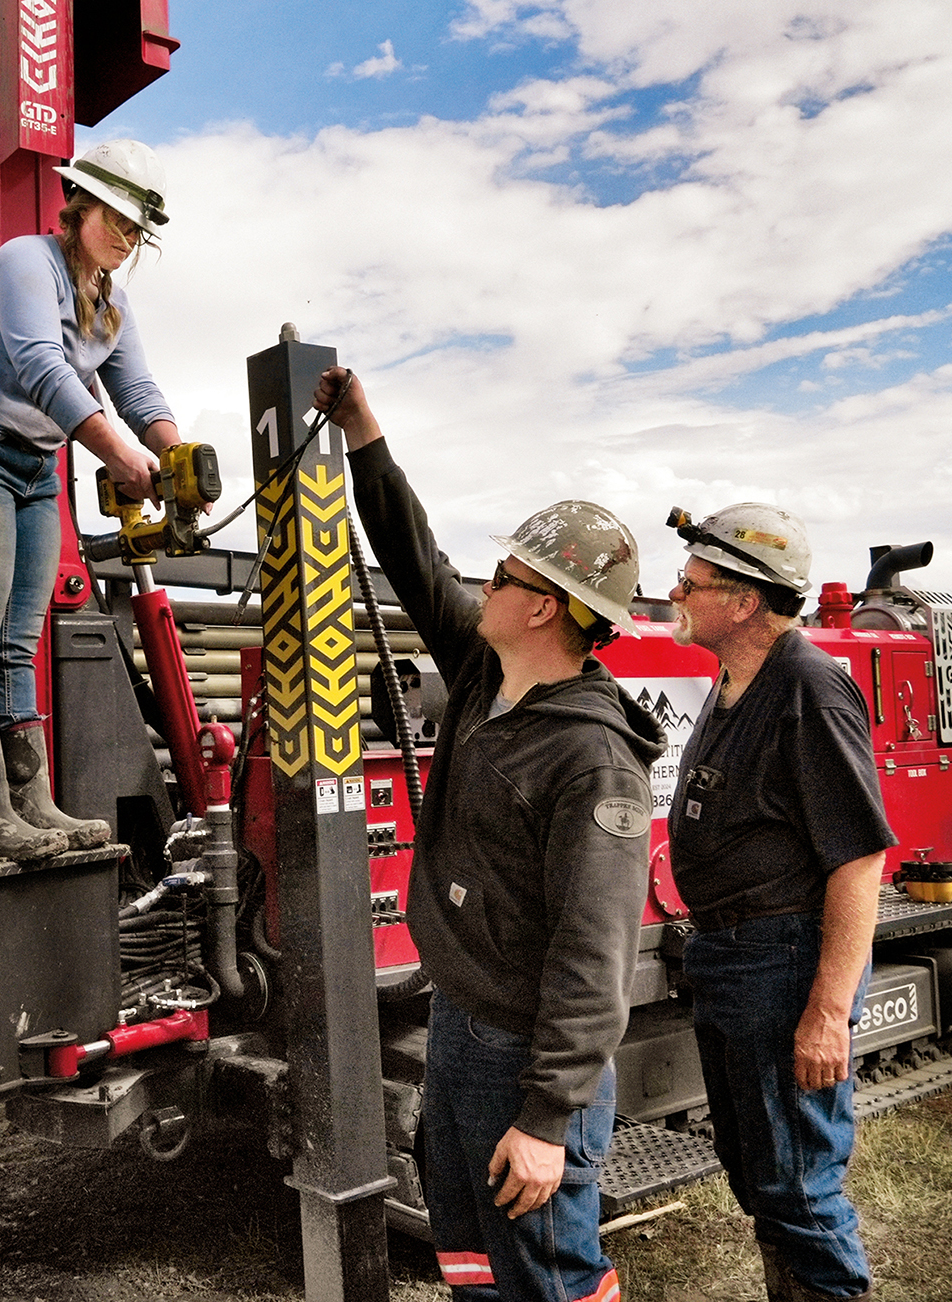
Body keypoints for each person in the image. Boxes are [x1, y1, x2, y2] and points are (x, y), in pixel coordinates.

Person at [317, 369, 662, 1302]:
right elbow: (413, 557)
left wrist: (549, 1121)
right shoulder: (485, 674)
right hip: (463, 1027)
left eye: (504, 575)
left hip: (527, 1055)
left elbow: (596, 955)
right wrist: (364, 435)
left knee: (548, 1274)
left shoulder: (592, 760)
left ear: (545, 605)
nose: (483, 584)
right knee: (471, 1259)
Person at [662, 503, 897, 1302]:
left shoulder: (807, 687)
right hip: (731, 958)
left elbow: (859, 859)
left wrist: (828, 1012)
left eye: (691, 584)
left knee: (798, 1184)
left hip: (781, 960)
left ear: (744, 601)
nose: (674, 593)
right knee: (759, 1173)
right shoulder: (734, 679)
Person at [0, 138, 184, 861]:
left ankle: (31, 802)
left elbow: (135, 391)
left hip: (39, 469)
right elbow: (42, 367)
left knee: (21, 638)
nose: (125, 237)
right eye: (116, 218)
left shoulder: (111, 302)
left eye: (136, 230)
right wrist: (120, 454)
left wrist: (174, 455)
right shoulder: (23, 263)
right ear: (79, 205)